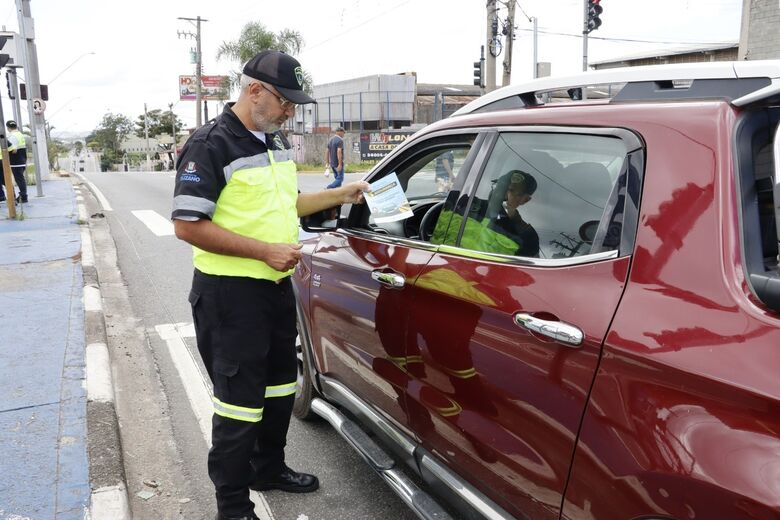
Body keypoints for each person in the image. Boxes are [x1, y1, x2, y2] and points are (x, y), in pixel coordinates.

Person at [171, 50, 369, 520]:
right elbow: (187, 225)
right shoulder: (210, 144)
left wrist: (342, 193)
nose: (289, 112)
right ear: (253, 89)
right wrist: (263, 251)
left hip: (276, 291)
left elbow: (287, 206)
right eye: (285, 101)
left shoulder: (273, 142)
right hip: (230, 296)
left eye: (295, 105)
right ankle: (233, 506)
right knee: (239, 405)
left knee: (281, 388)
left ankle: (269, 467)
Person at [0, 120, 28, 203]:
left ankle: (23, 197)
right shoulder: (20, 134)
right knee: (20, 179)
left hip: (16, 161)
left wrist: (5, 151)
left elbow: (14, 149)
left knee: (19, 179)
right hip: (22, 159)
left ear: (8, 128)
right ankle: (22, 195)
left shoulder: (12, 136)